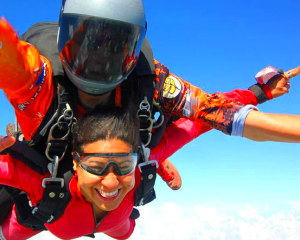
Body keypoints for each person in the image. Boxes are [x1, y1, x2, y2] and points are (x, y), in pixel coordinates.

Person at [0, 0, 299, 225]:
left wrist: (261, 92)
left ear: (133, 44)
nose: (101, 59)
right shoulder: (38, 81)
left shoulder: (151, 81)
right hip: (54, 166)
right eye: (89, 43)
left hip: (116, 166)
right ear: (65, 38)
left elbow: (219, 112)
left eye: (116, 45)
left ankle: (134, 159)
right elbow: (8, 56)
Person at [0, 105, 150, 240]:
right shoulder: (44, 183)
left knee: (125, 234)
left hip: (115, 226)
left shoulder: (137, 171)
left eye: (125, 165)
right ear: (75, 163)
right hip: (41, 218)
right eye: (96, 166)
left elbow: (166, 141)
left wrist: (165, 168)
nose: (111, 183)